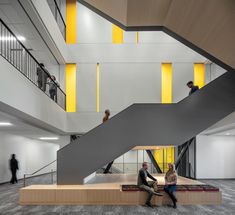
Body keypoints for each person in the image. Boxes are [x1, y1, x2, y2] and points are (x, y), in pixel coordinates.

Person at [103, 110, 114, 174]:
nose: (109, 114)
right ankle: (106, 171)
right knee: (112, 160)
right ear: (106, 113)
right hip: (107, 135)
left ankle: (106, 171)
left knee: (112, 160)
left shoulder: (107, 118)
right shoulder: (105, 118)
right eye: (108, 113)